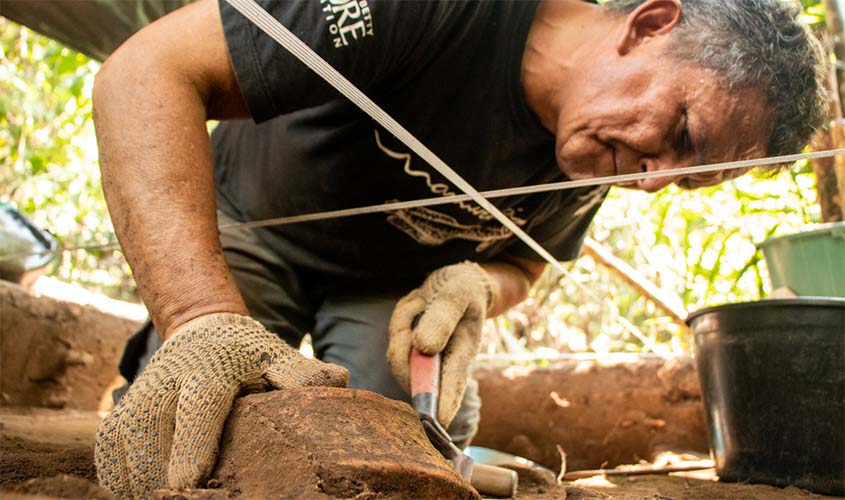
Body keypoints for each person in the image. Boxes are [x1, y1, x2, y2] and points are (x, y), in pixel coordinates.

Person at [91, 0, 826, 497]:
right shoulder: (446, 10)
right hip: (255, 226)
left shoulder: (605, 150)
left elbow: (526, 266)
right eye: (683, 134)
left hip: (387, 287)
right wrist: (199, 319)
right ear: (650, 23)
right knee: (192, 422)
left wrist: (474, 285)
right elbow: (145, 71)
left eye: (687, 178)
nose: (653, 179)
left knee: (393, 456)